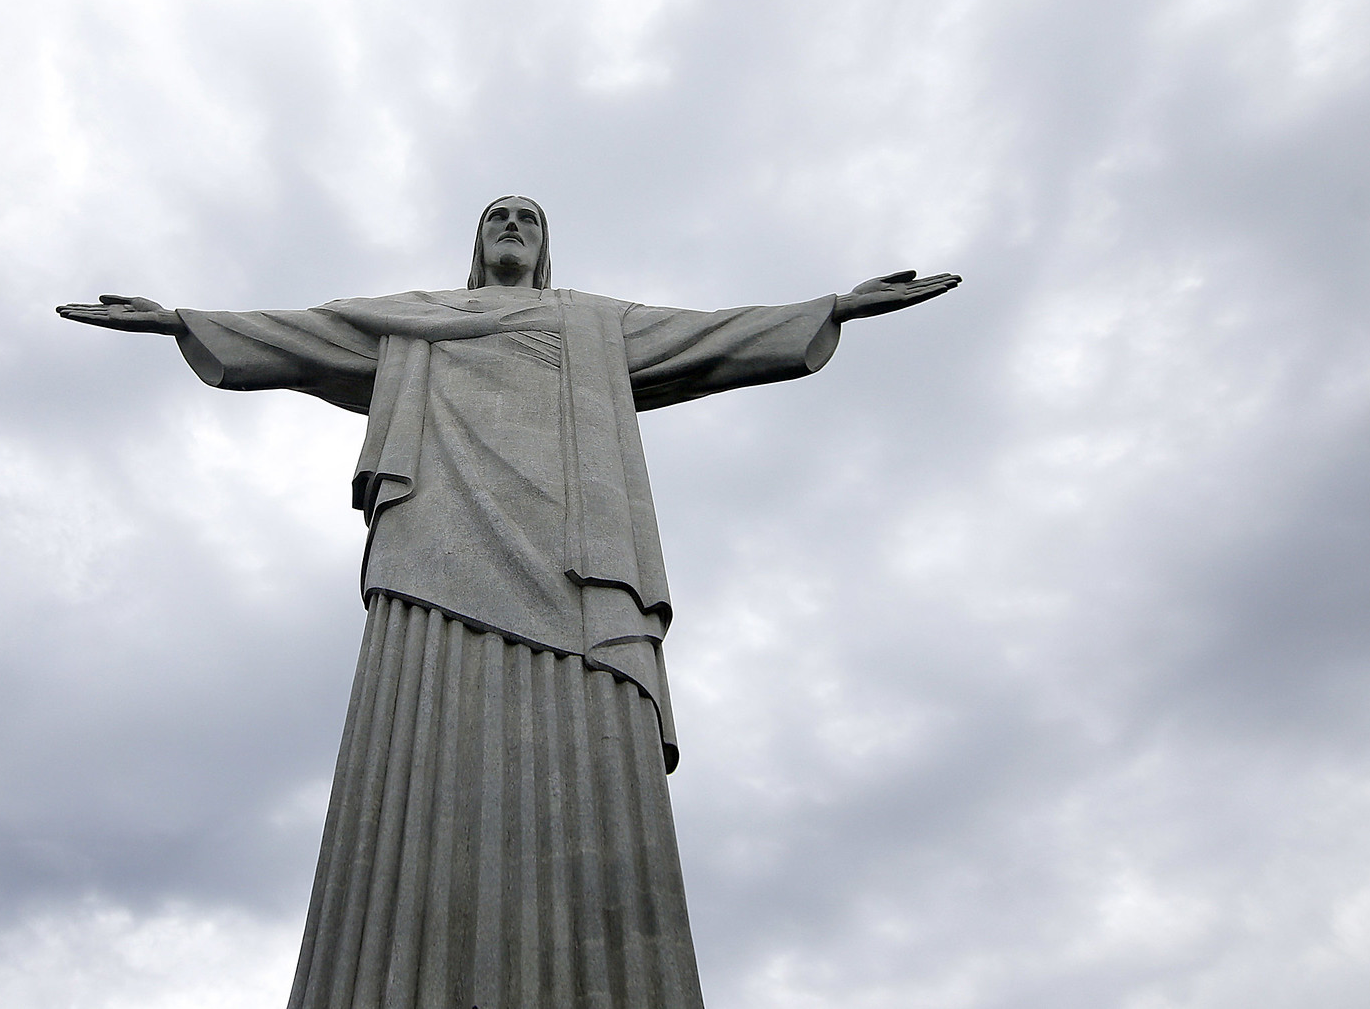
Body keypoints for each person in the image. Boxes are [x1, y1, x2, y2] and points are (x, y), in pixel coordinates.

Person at [59, 196, 959, 1009]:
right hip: (433, 552)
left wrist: (834, 306)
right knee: (418, 738)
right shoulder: (413, 321)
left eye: (529, 219)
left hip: (575, 560)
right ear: (476, 244)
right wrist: (181, 320)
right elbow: (305, 332)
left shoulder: (593, 324)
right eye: (499, 218)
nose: (515, 228)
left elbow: (711, 337)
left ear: (546, 247)